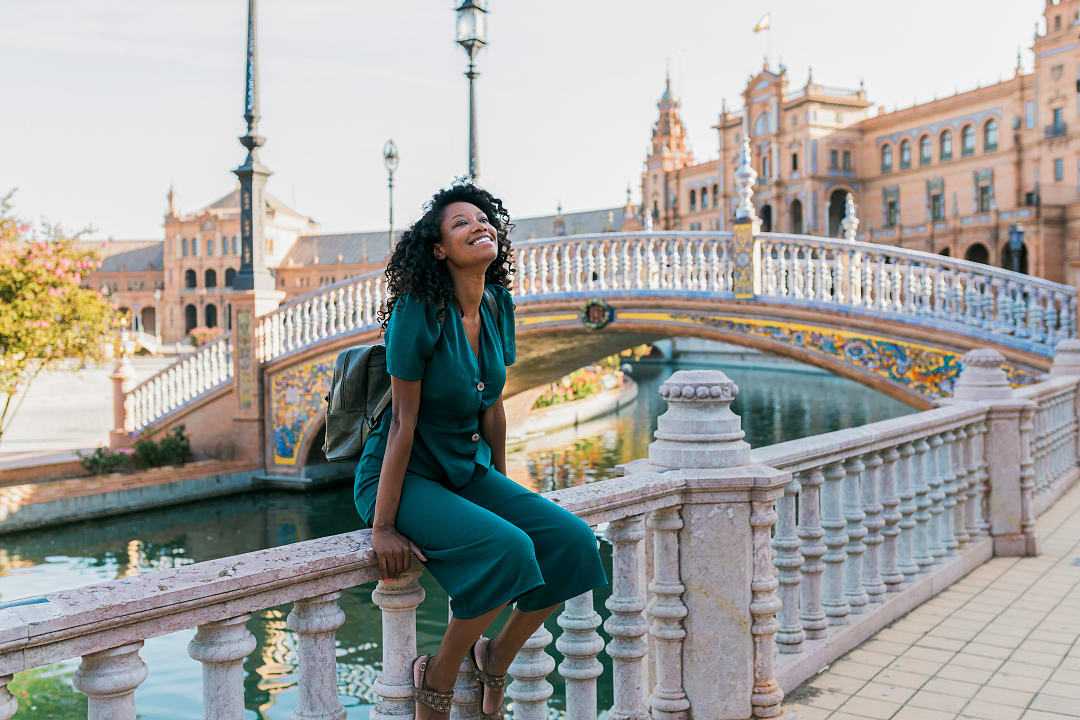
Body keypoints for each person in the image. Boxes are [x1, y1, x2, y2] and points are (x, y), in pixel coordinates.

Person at [353, 182, 608, 719]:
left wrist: (503, 484)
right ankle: (437, 678)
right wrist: (382, 525)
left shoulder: (496, 304)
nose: (479, 226)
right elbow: (403, 422)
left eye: (484, 218)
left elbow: (492, 406)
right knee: (509, 550)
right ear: (440, 250)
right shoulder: (416, 311)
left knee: (574, 544)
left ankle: (495, 656)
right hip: (403, 476)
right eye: (461, 223)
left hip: (467, 469)